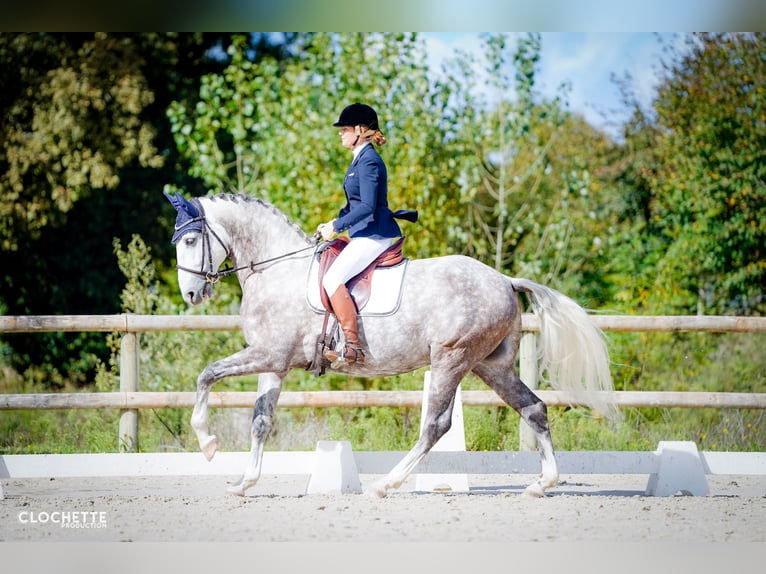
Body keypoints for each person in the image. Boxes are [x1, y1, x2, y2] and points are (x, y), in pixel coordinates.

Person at [316, 103, 415, 366]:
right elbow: (353, 205)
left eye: (345, 129)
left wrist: (337, 228)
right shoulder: (359, 158)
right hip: (364, 232)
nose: (340, 133)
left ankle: (352, 347)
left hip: (374, 234)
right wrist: (332, 222)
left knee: (332, 278)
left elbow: (367, 206)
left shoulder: (369, 160)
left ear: (360, 130)